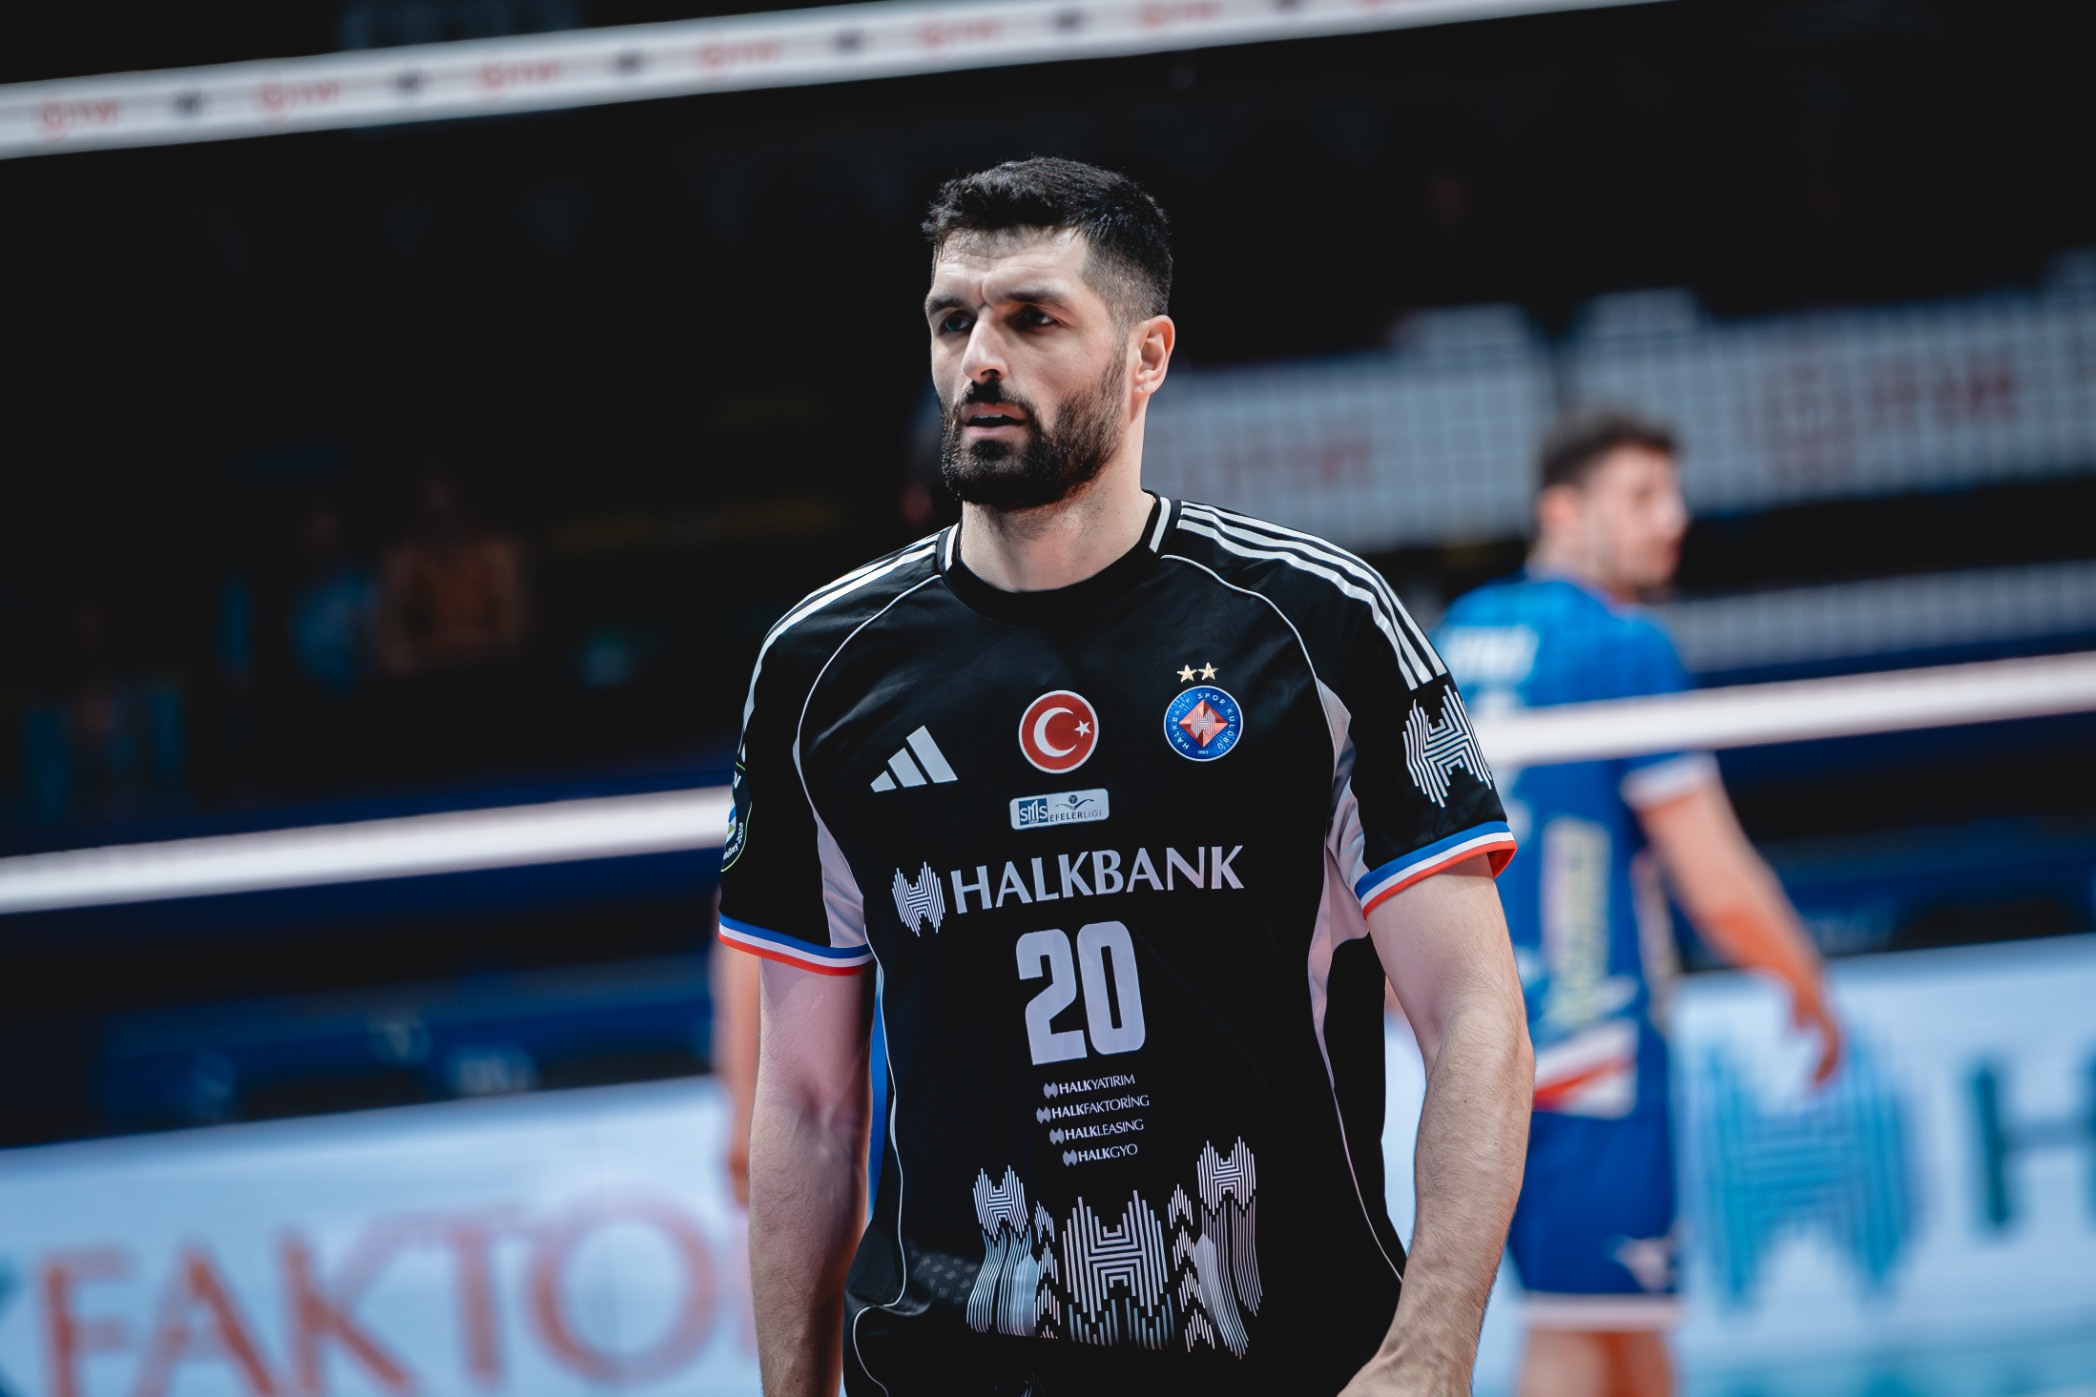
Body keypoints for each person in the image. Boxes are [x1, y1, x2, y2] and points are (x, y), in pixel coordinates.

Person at [719, 157, 1532, 1397]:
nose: (979, 359)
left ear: (1146, 356)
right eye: (952, 320)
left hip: (1288, 1359)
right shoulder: (818, 669)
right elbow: (808, 1101)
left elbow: (1474, 1018)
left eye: (1032, 318)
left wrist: (1428, 1352)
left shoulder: (1318, 625)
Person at [1435, 408, 1844, 1397]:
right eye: (1642, 496)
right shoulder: (1621, 645)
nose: (1673, 516)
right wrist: (1805, 978)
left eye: (1672, 494)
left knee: (1624, 1326)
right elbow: (1713, 877)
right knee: (1577, 1335)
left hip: (1477, 1033)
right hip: (1592, 1039)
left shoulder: (1456, 632)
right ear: (1563, 513)